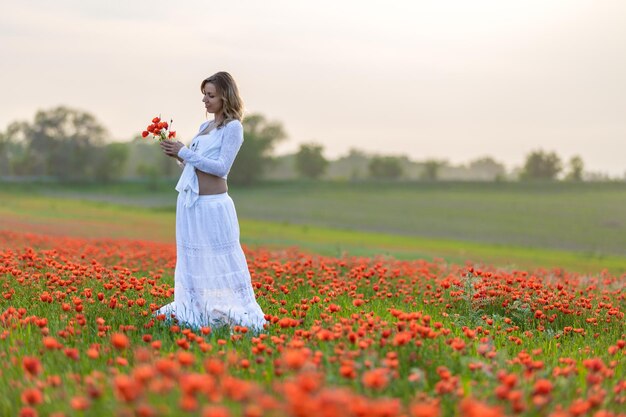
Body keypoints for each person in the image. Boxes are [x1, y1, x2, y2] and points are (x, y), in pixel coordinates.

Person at [157, 71, 267, 331]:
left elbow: (220, 167)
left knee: (220, 257)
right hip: (190, 204)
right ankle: (196, 306)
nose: (205, 100)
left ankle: (229, 309)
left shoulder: (233, 128)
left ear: (225, 97)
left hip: (213, 206)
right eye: (204, 95)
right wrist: (177, 154)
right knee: (193, 259)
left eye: (211, 95)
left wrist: (184, 151)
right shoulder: (204, 128)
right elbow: (193, 165)